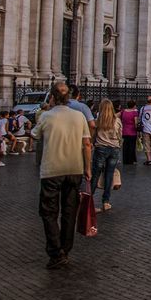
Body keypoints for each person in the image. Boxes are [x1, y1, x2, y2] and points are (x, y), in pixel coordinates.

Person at [32, 82, 92, 270]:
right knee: (69, 211)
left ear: (52, 97)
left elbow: (34, 135)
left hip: (52, 170)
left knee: (49, 212)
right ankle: (65, 248)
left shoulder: (46, 116)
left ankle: (55, 251)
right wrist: (88, 168)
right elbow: (87, 144)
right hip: (75, 168)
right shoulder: (79, 116)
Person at [90, 99, 122, 211]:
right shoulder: (117, 121)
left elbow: (93, 136)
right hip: (114, 149)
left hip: (101, 148)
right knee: (109, 174)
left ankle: (89, 200)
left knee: (95, 174)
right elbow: (119, 135)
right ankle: (106, 201)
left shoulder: (98, 121)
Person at [120, 101, 139, 165]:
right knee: (132, 146)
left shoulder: (123, 111)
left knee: (125, 146)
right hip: (132, 131)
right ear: (133, 106)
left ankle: (125, 160)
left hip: (124, 131)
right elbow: (136, 122)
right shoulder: (134, 112)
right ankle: (130, 160)